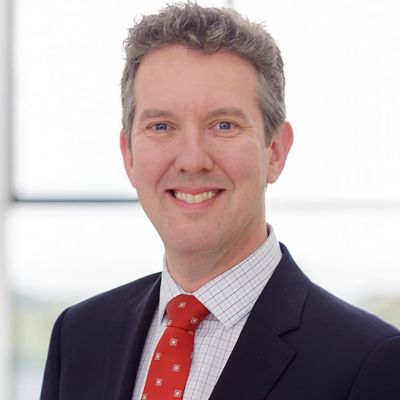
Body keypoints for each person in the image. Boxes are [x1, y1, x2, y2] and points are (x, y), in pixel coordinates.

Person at [40, 3, 400, 400]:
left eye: (223, 125)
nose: (192, 159)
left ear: (276, 151)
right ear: (129, 155)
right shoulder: (78, 336)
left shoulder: (370, 361)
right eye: (161, 126)